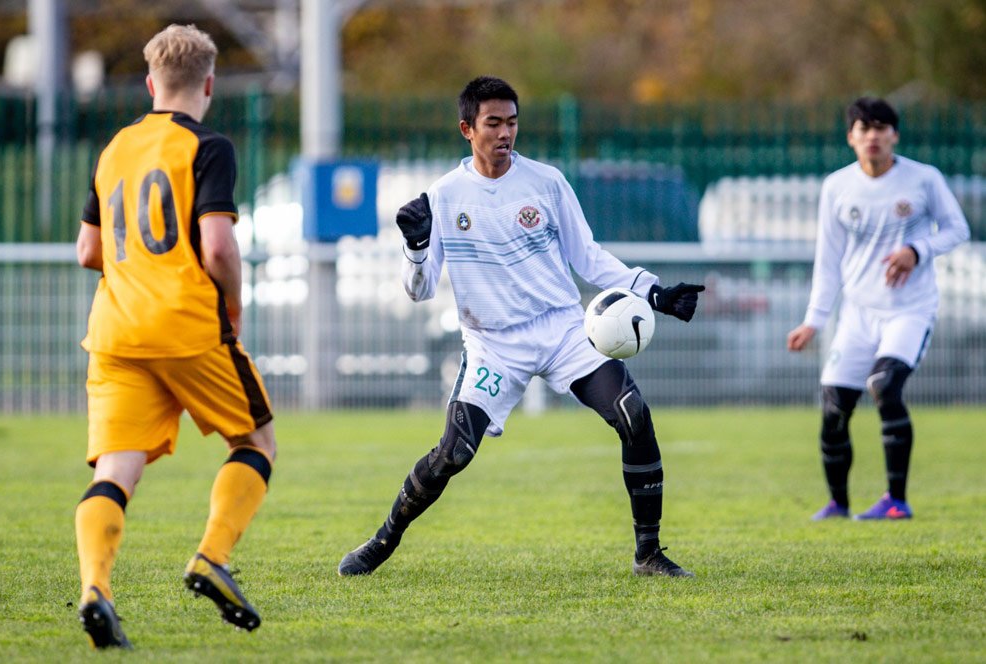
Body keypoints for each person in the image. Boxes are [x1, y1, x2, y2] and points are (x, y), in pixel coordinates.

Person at [338, 76, 704, 579]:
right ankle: (382, 541)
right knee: (453, 454)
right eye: (493, 123)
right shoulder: (443, 196)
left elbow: (588, 256)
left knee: (633, 415)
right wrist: (417, 248)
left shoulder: (547, 182)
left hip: (562, 333)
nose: (505, 132)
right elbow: (419, 290)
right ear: (467, 128)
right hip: (493, 346)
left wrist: (653, 292)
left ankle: (648, 554)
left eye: (512, 122)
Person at [73, 24, 276, 649]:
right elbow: (217, 246)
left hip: (115, 330)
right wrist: (234, 305)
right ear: (210, 83)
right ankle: (211, 557)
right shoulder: (209, 147)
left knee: (116, 470)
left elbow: (88, 250)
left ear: (149, 81)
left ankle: (95, 590)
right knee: (257, 440)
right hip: (186, 325)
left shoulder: (115, 150)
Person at [787, 97, 970, 521]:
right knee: (834, 406)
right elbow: (828, 260)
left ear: (895, 135)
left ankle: (896, 501)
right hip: (857, 313)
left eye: (881, 127)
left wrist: (917, 250)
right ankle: (838, 504)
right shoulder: (837, 186)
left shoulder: (923, 179)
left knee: (884, 385)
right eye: (864, 128)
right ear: (851, 137)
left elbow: (958, 228)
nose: (873, 135)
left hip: (910, 310)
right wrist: (814, 319)